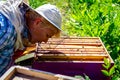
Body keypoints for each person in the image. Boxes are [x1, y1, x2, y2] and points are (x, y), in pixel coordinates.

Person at [0, 0, 62, 76]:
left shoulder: (21, 29)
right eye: (47, 35)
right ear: (37, 22)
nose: (45, 41)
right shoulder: (6, 31)